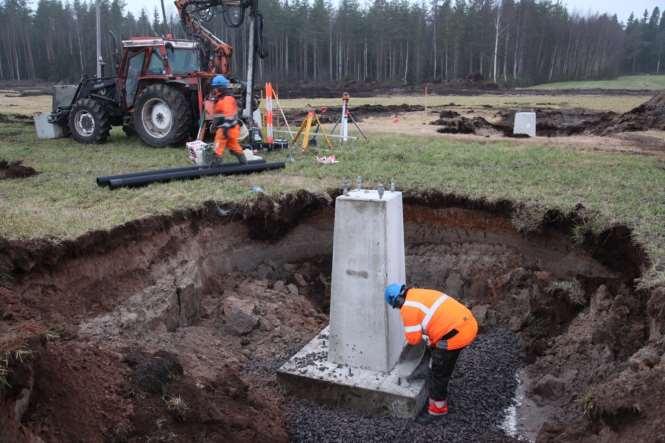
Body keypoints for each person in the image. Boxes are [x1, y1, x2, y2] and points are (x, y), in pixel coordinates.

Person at [384, 283, 478, 423]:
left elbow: (414, 340)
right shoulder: (418, 293)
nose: (398, 308)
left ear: (397, 300)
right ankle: (447, 370)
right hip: (467, 323)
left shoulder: (408, 309)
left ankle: (437, 410)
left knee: (438, 372)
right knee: (435, 349)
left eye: (396, 306)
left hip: (456, 334)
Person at [210, 75, 246, 164]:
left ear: (220, 88)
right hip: (231, 127)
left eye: (215, 88)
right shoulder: (221, 99)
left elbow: (229, 116)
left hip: (228, 127)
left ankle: (216, 160)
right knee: (233, 145)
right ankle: (243, 161)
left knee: (219, 141)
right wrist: (215, 125)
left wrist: (225, 128)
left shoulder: (226, 99)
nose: (213, 90)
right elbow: (219, 115)